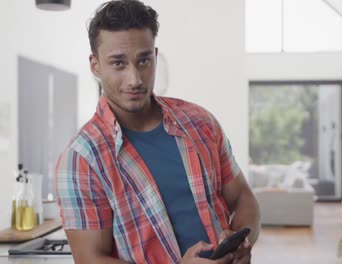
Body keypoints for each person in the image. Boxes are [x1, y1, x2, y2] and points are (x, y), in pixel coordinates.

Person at [54, 1, 260, 263]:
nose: (135, 79)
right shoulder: (80, 159)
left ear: (155, 55)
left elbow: (243, 197)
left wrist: (241, 242)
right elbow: (90, 259)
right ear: (95, 66)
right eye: (118, 64)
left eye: (143, 60)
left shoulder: (201, 123)